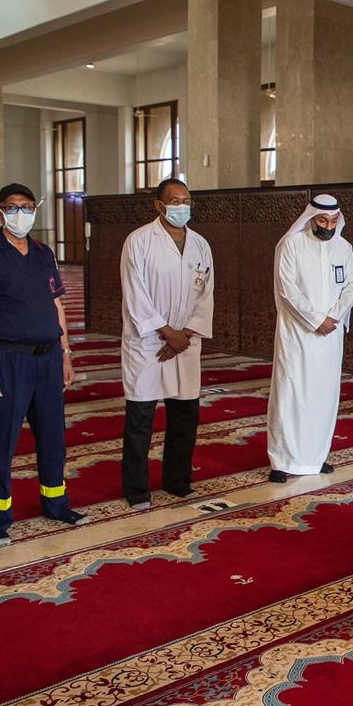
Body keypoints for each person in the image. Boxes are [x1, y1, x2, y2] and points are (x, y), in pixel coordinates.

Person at [0, 183, 87, 546]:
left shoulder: (44, 253)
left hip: (47, 359)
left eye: (28, 207)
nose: (21, 214)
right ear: (0, 212)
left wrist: (66, 354)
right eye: (13, 207)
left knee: (53, 437)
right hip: (6, 360)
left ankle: (56, 504)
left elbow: (57, 306)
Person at [119, 178, 214, 509]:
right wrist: (166, 332)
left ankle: (177, 480)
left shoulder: (200, 244)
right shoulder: (139, 241)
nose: (182, 207)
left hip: (185, 342)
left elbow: (206, 294)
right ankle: (136, 489)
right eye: (175, 201)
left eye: (186, 201)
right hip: (148, 342)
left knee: (185, 414)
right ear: (159, 206)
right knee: (141, 417)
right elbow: (135, 293)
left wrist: (184, 334)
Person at [267, 193, 353, 483]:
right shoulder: (292, 245)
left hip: (331, 335)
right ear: (311, 218)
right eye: (322, 220)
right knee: (291, 394)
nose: (328, 226)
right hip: (297, 334)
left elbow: (352, 287)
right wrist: (316, 319)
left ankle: (315, 456)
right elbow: (287, 289)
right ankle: (282, 460)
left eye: (333, 221)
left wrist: (333, 316)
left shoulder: (343, 248)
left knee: (324, 394)